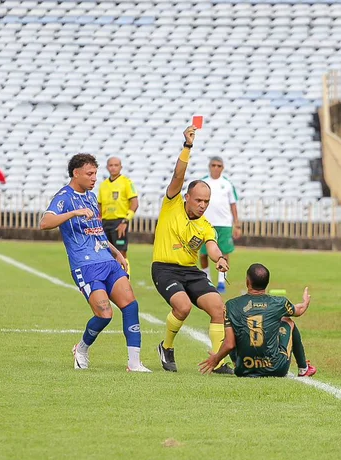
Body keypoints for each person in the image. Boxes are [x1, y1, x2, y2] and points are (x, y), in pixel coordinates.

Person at [40, 153, 150, 373]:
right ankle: (81, 349)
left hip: (107, 261)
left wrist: (116, 252)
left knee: (131, 304)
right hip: (85, 266)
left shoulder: (91, 197)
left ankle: (134, 363)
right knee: (104, 314)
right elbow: (45, 222)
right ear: (76, 173)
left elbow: (97, 232)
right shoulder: (64, 197)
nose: (94, 179)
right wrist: (73, 213)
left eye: (95, 174)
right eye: (90, 174)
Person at [151, 125, 232, 374]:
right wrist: (187, 146)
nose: (203, 205)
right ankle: (167, 346)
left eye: (207, 201)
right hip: (164, 269)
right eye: (199, 200)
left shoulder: (206, 225)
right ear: (187, 197)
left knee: (218, 307)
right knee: (183, 307)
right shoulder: (172, 204)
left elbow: (212, 245)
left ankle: (217, 360)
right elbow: (178, 176)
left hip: (189, 271)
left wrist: (219, 259)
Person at [199, 263, 316, 377]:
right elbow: (299, 311)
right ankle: (303, 368)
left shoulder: (231, 305)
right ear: (267, 283)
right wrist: (305, 302)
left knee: (232, 328)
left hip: (243, 369)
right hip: (276, 368)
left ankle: (238, 363)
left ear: (247, 282)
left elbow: (229, 344)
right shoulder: (279, 303)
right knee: (288, 321)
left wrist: (216, 359)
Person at [199, 156, 241, 293]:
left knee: (224, 253)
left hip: (224, 224)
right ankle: (207, 279)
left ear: (222, 168)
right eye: (213, 165)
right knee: (204, 253)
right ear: (209, 166)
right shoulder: (203, 182)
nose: (216, 168)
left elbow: (233, 204)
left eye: (219, 165)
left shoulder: (227, 184)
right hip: (206, 223)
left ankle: (222, 281)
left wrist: (237, 224)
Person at [96, 156, 138, 261]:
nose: (113, 168)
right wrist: (98, 220)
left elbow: (135, 203)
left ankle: (125, 276)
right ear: (107, 167)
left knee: (121, 252)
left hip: (119, 222)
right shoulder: (103, 185)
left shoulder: (127, 182)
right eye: (111, 165)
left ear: (121, 167)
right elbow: (99, 205)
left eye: (116, 165)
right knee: (105, 253)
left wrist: (125, 221)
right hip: (105, 223)